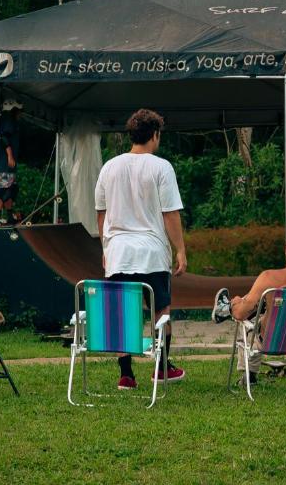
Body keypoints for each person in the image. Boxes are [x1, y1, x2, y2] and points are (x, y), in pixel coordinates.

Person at [95, 109, 188, 390]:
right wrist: (181, 249)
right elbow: (170, 214)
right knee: (161, 311)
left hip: (119, 253)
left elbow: (101, 212)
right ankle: (161, 367)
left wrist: (106, 246)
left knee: (122, 313)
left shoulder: (109, 167)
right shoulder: (161, 167)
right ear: (155, 135)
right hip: (152, 254)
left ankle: (126, 375)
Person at [211, 227, 286, 384]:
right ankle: (229, 308)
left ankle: (248, 377)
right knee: (264, 308)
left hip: (271, 340)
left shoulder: (269, 278)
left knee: (248, 322)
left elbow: (241, 314)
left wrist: (235, 305)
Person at [0, 99, 22, 226]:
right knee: (4, 189)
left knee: (10, 188)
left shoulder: (7, 121)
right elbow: (4, 138)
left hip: (5, 163)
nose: (20, 114)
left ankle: (9, 216)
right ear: (13, 110)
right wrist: (10, 155)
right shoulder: (8, 120)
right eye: (18, 111)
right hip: (4, 162)